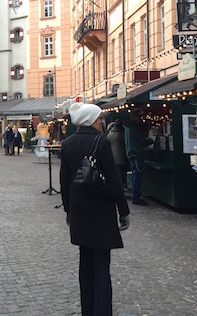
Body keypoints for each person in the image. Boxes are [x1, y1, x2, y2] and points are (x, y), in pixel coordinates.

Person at [60, 103, 130, 316]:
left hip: (80, 213)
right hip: (100, 212)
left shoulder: (67, 143)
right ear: (91, 120)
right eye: (100, 119)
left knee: (85, 264)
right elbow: (114, 180)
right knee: (101, 265)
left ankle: (88, 311)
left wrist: (68, 211)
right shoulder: (101, 143)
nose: (102, 122)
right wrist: (123, 211)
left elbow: (65, 182)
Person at [124, 111, 154, 206]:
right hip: (136, 154)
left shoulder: (127, 128)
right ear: (135, 118)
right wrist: (150, 141)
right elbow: (142, 141)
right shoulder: (134, 128)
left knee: (135, 176)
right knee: (137, 176)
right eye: (139, 118)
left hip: (130, 154)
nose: (140, 120)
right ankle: (135, 197)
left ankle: (135, 195)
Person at [106, 118, 127, 189]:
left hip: (111, 157)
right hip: (120, 157)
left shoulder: (109, 134)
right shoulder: (121, 134)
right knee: (120, 174)